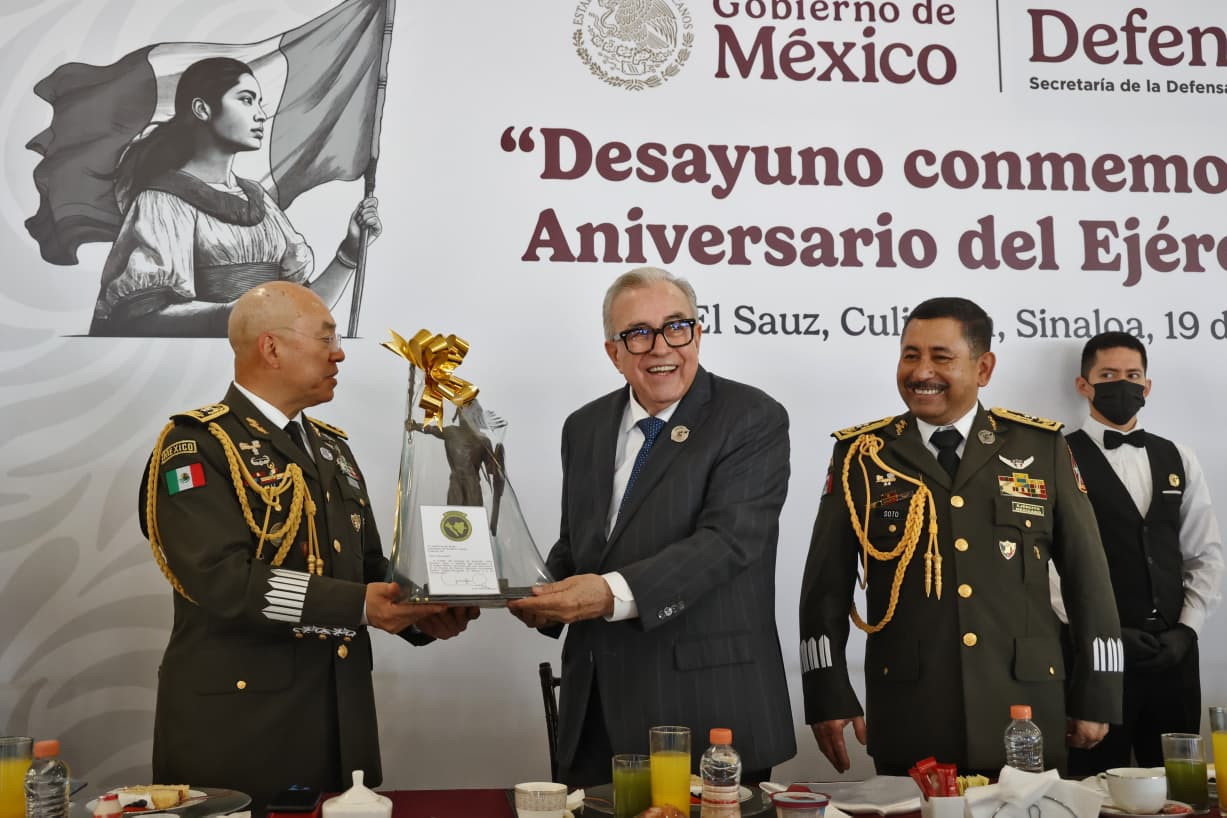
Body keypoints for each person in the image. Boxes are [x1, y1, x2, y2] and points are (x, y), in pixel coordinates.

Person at [139, 281, 477, 811]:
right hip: (241, 735)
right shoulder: (198, 446)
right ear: (271, 348)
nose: (339, 352)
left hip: (338, 728)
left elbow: (364, 568)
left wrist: (419, 609)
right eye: (326, 338)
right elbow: (220, 580)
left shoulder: (329, 447)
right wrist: (361, 605)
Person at [799, 296, 1123, 776]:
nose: (920, 370)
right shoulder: (863, 454)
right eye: (910, 355)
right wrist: (825, 690)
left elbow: (1088, 579)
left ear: (984, 367)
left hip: (1024, 707)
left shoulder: (1040, 447)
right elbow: (824, 586)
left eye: (941, 357)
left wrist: (1098, 690)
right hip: (912, 709)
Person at [508, 266, 796, 787]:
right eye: (637, 334)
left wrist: (603, 595)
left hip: (708, 713)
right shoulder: (585, 426)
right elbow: (582, 543)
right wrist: (532, 591)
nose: (661, 348)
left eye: (676, 327)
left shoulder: (751, 417)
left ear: (698, 333)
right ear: (613, 352)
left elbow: (728, 543)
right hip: (595, 712)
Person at [91, 57, 380, 337]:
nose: (260, 114)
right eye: (245, 99)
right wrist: (236, 314)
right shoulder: (163, 200)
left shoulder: (261, 201)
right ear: (202, 109)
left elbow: (302, 316)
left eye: (258, 102)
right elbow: (138, 319)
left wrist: (350, 252)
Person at [1058, 332, 1223, 774]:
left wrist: (1186, 631)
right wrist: (1096, 630)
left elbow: (1204, 553)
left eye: (1133, 376)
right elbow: (1045, 564)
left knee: (1178, 786)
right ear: (1084, 385)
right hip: (1094, 657)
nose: (1122, 385)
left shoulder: (1179, 457)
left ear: (1147, 387)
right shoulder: (1057, 455)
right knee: (1092, 783)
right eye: (1108, 375)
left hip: (1173, 656)